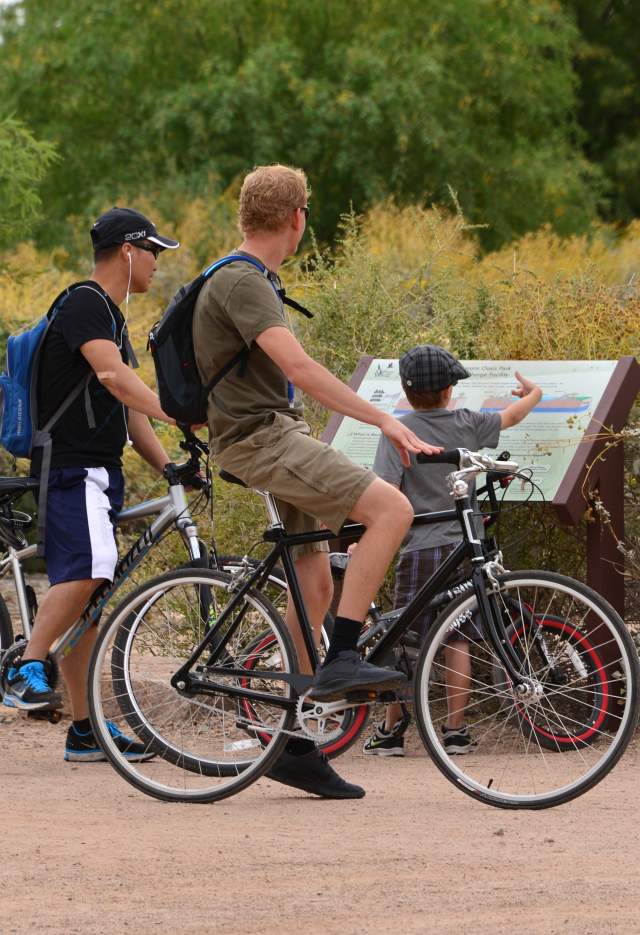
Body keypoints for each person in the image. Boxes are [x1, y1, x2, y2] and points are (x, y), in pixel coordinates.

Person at [193, 164, 441, 799]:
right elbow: (298, 367)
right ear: (298, 217)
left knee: (310, 577)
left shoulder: (251, 279)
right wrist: (385, 418)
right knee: (390, 512)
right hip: (264, 439)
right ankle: (342, 659)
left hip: (273, 435)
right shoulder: (242, 281)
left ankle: (293, 744)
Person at [3, 207, 181, 763]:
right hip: (72, 467)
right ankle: (25, 667)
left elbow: (128, 409)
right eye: (153, 251)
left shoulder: (108, 315)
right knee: (91, 570)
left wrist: (171, 467)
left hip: (102, 470)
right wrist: (183, 412)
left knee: (90, 607)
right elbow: (111, 376)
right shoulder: (84, 302)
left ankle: (84, 731)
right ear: (129, 251)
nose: (157, 264)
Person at [361, 344, 542, 756]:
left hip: (418, 548)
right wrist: (535, 394)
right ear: (449, 389)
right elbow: (512, 416)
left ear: (407, 394)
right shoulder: (467, 423)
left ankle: (391, 733)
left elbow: (386, 491)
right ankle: (455, 731)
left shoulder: (397, 431)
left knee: (405, 640)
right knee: (458, 637)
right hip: (464, 544)